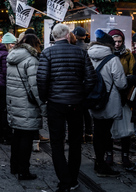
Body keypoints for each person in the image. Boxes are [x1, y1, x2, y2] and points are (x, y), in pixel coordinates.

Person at [37, 23, 97, 192]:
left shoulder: (47, 53)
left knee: (57, 142)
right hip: (76, 103)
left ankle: (64, 181)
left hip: (55, 103)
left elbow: (41, 80)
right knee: (75, 142)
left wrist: (45, 98)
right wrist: (81, 93)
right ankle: (72, 179)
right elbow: (92, 78)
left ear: (54, 36)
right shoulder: (80, 52)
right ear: (68, 35)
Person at [87, 29, 127, 177]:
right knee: (105, 133)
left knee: (97, 132)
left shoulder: (87, 56)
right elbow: (121, 84)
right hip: (109, 102)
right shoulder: (113, 60)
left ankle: (98, 161)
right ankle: (102, 165)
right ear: (109, 45)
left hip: (93, 101)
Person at [6, 34, 45, 180]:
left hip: (14, 102)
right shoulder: (31, 60)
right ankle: (24, 170)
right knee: (27, 139)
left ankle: (14, 166)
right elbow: (35, 87)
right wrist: (43, 106)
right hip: (27, 104)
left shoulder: (11, 56)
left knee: (17, 135)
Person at [107, 28, 135, 168]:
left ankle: (125, 156)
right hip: (109, 95)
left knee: (125, 129)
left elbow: (131, 72)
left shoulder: (128, 55)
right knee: (109, 127)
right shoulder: (107, 54)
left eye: (119, 41)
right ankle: (109, 154)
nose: (117, 44)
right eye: (115, 41)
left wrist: (125, 80)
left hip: (124, 94)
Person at [0, 36, 13, 145]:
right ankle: (6, 135)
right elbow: (6, 72)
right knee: (4, 110)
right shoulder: (5, 54)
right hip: (3, 84)